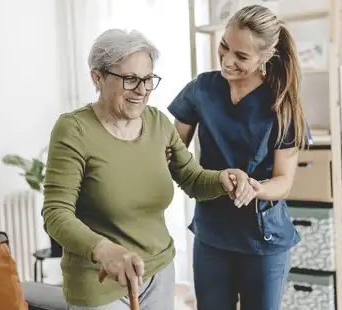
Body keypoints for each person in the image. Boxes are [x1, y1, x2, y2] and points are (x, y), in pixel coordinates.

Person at [41, 28, 256, 310]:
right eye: (130, 80)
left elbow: (192, 179)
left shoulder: (157, 122)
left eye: (147, 79)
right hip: (100, 279)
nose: (142, 91)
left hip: (159, 273)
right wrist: (104, 250)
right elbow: (56, 213)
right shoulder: (74, 130)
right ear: (98, 77)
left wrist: (224, 178)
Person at [167, 5, 311, 310]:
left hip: (263, 240)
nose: (227, 60)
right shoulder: (202, 90)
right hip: (212, 235)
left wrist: (256, 188)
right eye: (224, 47)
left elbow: (284, 181)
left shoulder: (281, 104)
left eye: (242, 56)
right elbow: (171, 151)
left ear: (265, 57)